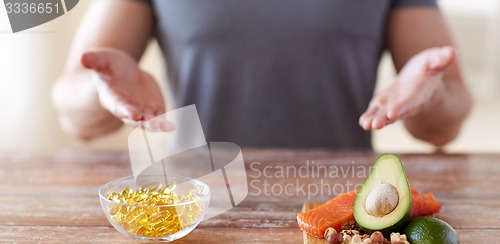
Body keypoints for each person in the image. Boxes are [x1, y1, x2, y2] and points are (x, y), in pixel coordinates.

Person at [52, 0, 472, 149]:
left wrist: (428, 93)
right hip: (194, 215)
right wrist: (103, 90)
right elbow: (74, 118)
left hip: (344, 214)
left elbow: (443, 129)